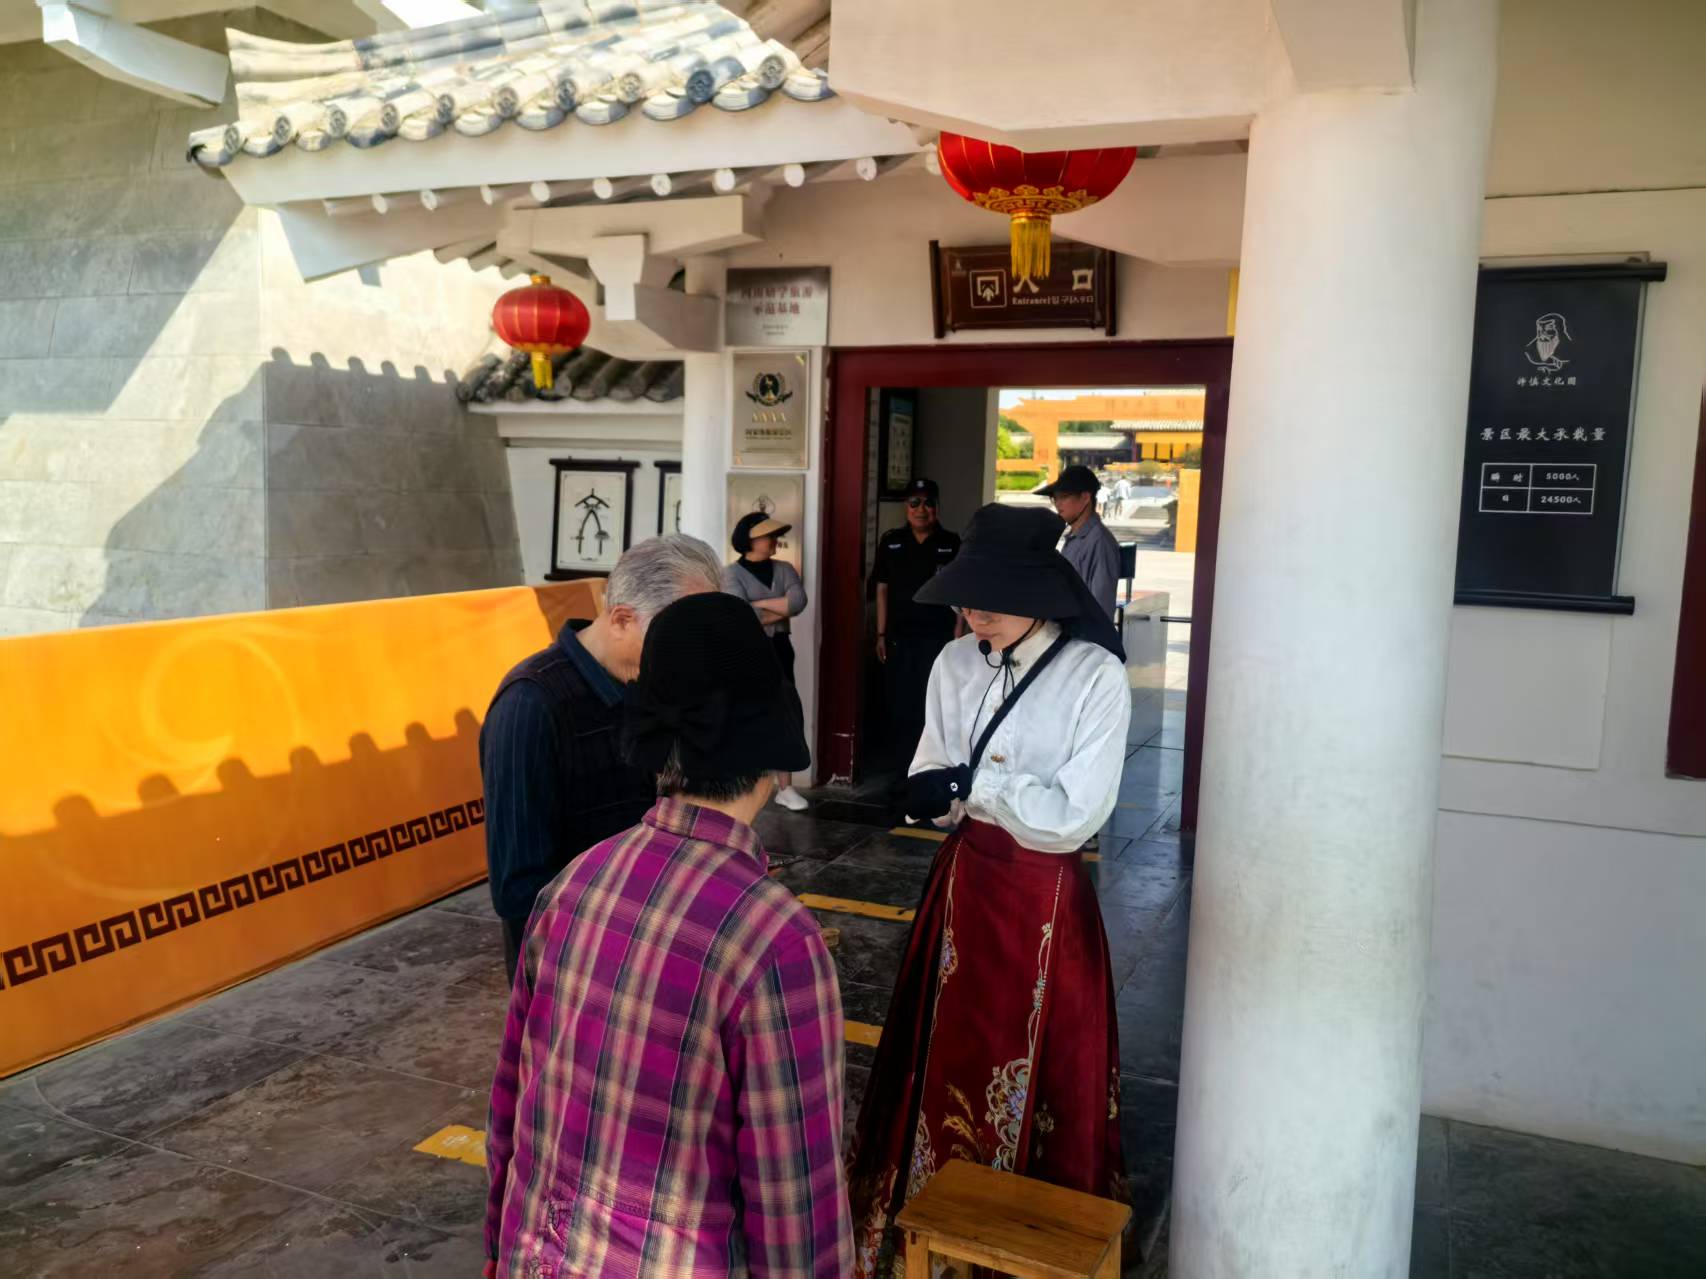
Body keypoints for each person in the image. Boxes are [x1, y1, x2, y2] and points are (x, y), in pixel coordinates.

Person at [484, 592, 851, 1278]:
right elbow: (795, 1206)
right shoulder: (775, 942)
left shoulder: (572, 885)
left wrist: (498, 1253)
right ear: (774, 758)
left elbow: (511, 1104)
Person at [845, 504, 1130, 1278]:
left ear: (1042, 591)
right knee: (948, 1049)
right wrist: (934, 795)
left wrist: (977, 787)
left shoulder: (1095, 675)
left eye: (992, 596)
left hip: (1046, 897)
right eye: (967, 594)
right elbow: (933, 772)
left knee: (1048, 1065)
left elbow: (1075, 814)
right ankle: (933, 1223)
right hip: (966, 880)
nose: (974, 610)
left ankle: (1034, 1241)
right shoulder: (954, 662)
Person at [480, 534, 722, 983]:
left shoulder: (650, 687)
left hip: (646, 951)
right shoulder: (531, 704)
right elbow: (518, 889)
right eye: (679, 638)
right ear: (623, 619)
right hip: (571, 972)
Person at [871, 477, 962, 773]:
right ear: (905, 506)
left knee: (933, 706)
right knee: (900, 706)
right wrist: (880, 634)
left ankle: (928, 772)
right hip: (899, 637)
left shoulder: (951, 543)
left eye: (928, 503)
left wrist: (958, 635)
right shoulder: (891, 542)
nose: (921, 509)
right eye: (914, 503)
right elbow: (882, 590)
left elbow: (959, 593)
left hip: (937, 638)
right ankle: (901, 773)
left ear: (937, 507)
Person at [723, 512, 811, 812]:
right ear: (750, 539)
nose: (775, 540)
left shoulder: (784, 568)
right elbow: (740, 613)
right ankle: (746, 783)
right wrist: (778, 608)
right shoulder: (730, 574)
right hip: (748, 650)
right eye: (768, 535)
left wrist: (757, 605)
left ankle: (785, 788)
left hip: (780, 648)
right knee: (749, 711)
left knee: (786, 711)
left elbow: (798, 602)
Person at [1042, 463, 1122, 620]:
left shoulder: (1099, 542)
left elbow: (1102, 606)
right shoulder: (1075, 536)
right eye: (1055, 498)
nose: (1058, 504)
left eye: (1064, 496)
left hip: (1082, 632)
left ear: (1085, 498)